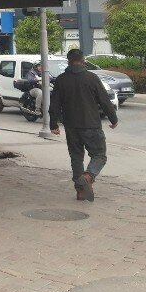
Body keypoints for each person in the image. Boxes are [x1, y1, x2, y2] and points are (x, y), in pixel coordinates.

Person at [49, 48, 118, 202]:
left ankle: (80, 192)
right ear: (83, 60)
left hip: (71, 126)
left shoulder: (61, 79)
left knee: (76, 157)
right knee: (99, 155)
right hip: (91, 124)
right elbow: (104, 100)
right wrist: (113, 118)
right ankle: (88, 177)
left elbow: (55, 103)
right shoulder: (92, 78)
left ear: (68, 61)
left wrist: (53, 123)